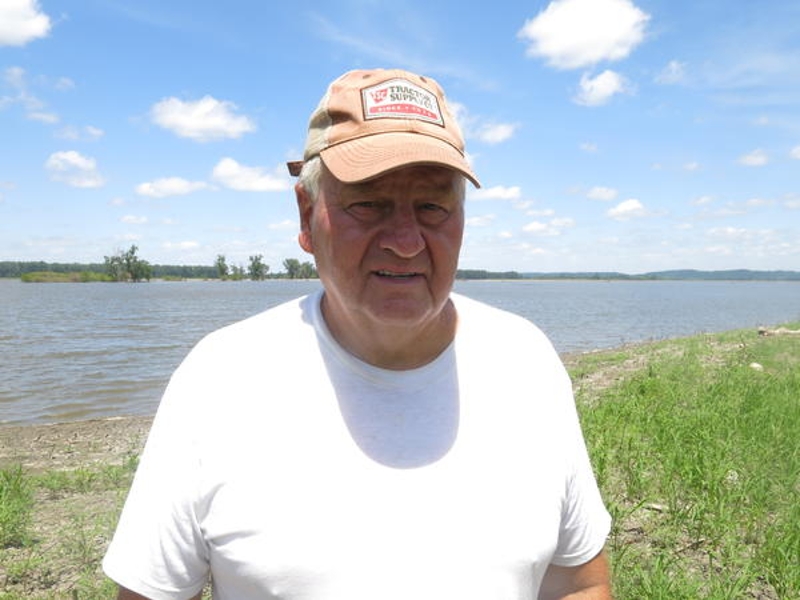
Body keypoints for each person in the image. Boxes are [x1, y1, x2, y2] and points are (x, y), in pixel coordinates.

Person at [103, 67, 613, 600]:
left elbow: (577, 582)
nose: (406, 241)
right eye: (368, 203)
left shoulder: (525, 359)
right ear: (307, 215)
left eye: (433, 206)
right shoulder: (220, 376)